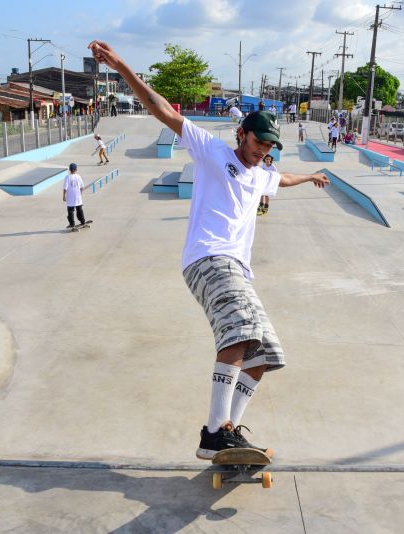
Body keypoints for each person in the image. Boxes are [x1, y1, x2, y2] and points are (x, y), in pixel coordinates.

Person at [89, 39, 329, 460]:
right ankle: (214, 432)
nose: (262, 152)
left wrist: (310, 176)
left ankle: (228, 431)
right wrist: (122, 65)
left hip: (236, 266)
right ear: (241, 134)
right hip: (207, 257)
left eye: (269, 147)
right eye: (258, 144)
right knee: (239, 330)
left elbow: (281, 179)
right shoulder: (212, 151)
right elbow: (161, 107)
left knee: (267, 354)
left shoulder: (262, 172)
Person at [63, 163, 92, 228]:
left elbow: (65, 188)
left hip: (70, 197)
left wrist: (64, 196)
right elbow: (82, 187)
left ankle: (72, 224)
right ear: (76, 169)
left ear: (70, 169)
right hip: (78, 197)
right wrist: (80, 194)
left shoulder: (67, 177)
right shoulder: (78, 176)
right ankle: (82, 222)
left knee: (70, 211)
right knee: (79, 209)